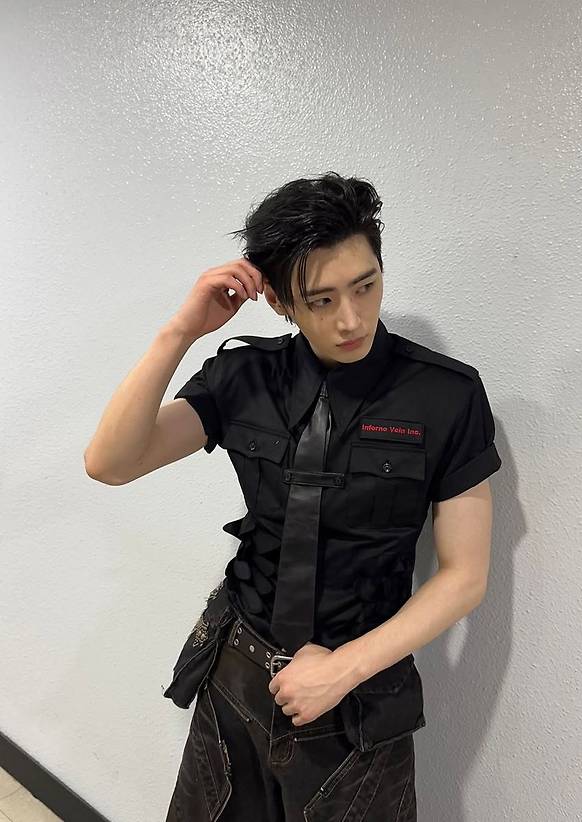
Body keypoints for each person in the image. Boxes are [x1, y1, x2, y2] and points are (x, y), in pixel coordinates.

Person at [84, 171, 502, 821]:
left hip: (360, 703)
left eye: (365, 286)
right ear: (279, 301)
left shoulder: (447, 395)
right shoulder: (243, 376)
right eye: (321, 300)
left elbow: (465, 576)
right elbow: (110, 463)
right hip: (235, 677)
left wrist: (345, 668)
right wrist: (179, 332)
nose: (351, 318)